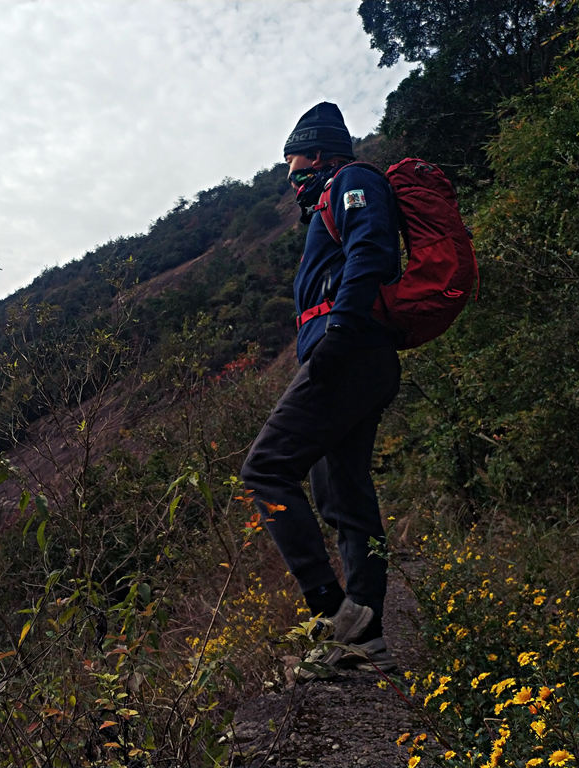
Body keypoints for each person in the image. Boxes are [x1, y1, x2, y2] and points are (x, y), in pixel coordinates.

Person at [240, 102, 402, 681]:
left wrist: (339, 327)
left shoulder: (352, 181)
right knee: (344, 495)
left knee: (265, 469)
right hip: (357, 353)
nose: (289, 173)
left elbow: (372, 250)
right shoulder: (323, 206)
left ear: (320, 152)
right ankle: (367, 642)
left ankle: (334, 614)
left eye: (294, 159)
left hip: (350, 351)